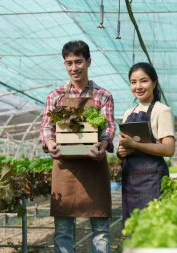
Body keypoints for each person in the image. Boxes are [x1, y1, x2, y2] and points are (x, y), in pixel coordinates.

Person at [40, 40, 116, 253]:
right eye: (69, 63)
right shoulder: (55, 96)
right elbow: (47, 126)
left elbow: (109, 126)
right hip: (65, 169)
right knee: (63, 228)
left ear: (89, 62)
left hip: (94, 166)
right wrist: (51, 142)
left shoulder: (103, 95)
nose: (74, 68)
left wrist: (103, 143)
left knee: (100, 228)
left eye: (78, 62)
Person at [117, 62, 175, 224]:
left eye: (144, 81)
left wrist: (135, 145)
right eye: (133, 82)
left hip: (152, 180)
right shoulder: (129, 112)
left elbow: (169, 149)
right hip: (131, 180)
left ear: (154, 82)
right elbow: (123, 145)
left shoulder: (161, 110)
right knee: (133, 228)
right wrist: (121, 151)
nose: (138, 86)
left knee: (152, 227)